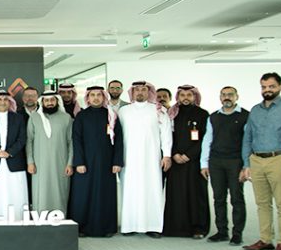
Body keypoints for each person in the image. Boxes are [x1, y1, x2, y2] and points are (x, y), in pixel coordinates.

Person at [241, 72, 281, 250]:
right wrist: (246, 164)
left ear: (280, 87)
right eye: (264, 87)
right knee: (262, 203)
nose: (267, 90)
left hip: (280, 159)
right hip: (257, 160)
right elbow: (247, 138)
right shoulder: (255, 110)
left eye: (271, 86)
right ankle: (266, 239)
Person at [119, 81, 172, 238]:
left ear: (149, 92)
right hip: (129, 159)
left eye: (143, 90)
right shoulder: (123, 111)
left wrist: (167, 155)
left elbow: (166, 134)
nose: (140, 92)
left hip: (152, 159)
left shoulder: (158, 110)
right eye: (137, 90)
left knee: (153, 190)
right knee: (129, 191)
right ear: (132, 92)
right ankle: (129, 226)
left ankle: (153, 226)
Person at [69, 86, 123, 237]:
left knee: (104, 195)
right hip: (85, 163)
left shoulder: (111, 115)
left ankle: (106, 228)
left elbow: (119, 140)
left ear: (103, 97)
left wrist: (117, 162)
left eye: (99, 95)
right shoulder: (81, 116)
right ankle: (82, 228)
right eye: (92, 95)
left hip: (106, 163)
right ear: (88, 98)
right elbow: (76, 140)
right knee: (83, 195)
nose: (96, 98)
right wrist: (79, 162)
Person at [200, 86, 249, 245]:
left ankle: (237, 234)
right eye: (224, 95)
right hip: (216, 162)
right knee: (218, 198)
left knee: (236, 198)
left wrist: (246, 165)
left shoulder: (245, 116)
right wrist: (204, 163)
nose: (227, 97)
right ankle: (222, 232)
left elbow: (249, 142)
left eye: (230, 95)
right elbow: (207, 140)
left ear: (236, 96)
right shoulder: (214, 117)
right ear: (220, 97)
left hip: (236, 162)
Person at [163, 85, 210, 239]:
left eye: (189, 95)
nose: (185, 98)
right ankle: (176, 228)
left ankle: (198, 228)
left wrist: (189, 154)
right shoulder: (172, 114)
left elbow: (205, 138)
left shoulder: (203, 114)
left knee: (196, 195)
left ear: (194, 97)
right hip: (175, 161)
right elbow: (167, 136)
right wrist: (174, 153)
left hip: (195, 161)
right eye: (182, 95)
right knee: (177, 194)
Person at [0, 91, 28, 219]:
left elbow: (22, 139)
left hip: (14, 162)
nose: (3, 102)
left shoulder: (18, 118)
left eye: (5, 99)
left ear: (10, 102)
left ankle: (17, 221)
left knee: (16, 194)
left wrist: (10, 152)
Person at [26, 91, 73, 214]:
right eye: (46, 100)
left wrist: (70, 163)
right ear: (42, 102)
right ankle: (40, 220)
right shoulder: (34, 117)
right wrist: (30, 162)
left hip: (61, 164)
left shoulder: (66, 118)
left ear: (57, 101)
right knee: (41, 193)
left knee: (60, 192)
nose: (50, 103)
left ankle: (59, 220)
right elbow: (29, 141)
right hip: (39, 165)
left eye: (52, 100)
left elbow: (71, 142)